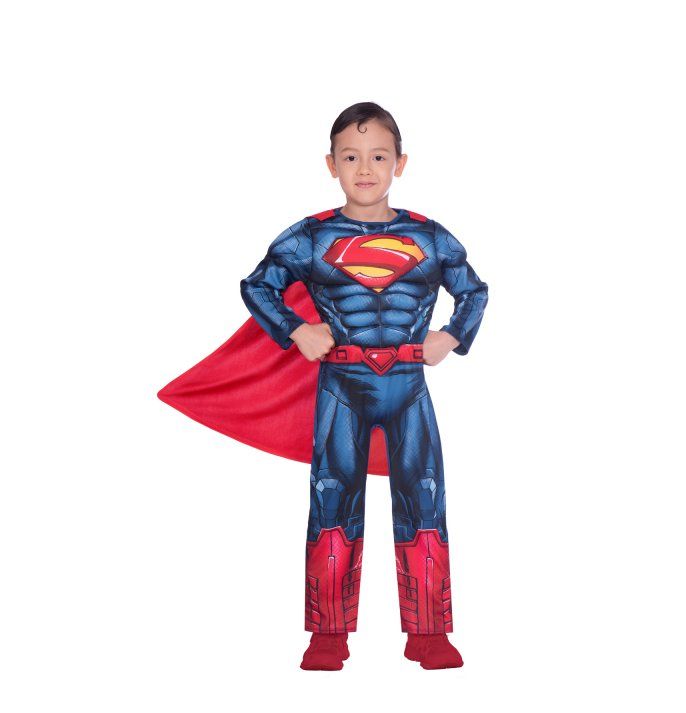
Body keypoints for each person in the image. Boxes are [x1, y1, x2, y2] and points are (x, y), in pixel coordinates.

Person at [158, 102, 488, 670]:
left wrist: (453, 336)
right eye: (351, 157)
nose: (365, 169)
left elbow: (474, 291)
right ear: (331, 164)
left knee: (425, 502)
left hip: (408, 384)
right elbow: (258, 286)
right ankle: (328, 635)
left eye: (378, 156)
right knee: (331, 503)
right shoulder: (310, 237)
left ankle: (429, 634)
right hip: (342, 384)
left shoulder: (430, 236)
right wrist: (296, 329)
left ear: (400, 163)